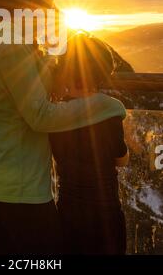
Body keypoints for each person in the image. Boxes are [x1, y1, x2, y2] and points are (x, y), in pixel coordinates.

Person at [0, 0, 126, 255]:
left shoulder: (17, 42)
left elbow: (29, 83)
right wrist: (101, 104)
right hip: (18, 183)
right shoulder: (11, 46)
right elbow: (40, 116)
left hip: (11, 174)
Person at [50, 32, 128, 254]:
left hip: (68, 211)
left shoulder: (54, 114)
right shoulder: (110, 110)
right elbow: (121, 159)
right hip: (106, 210)